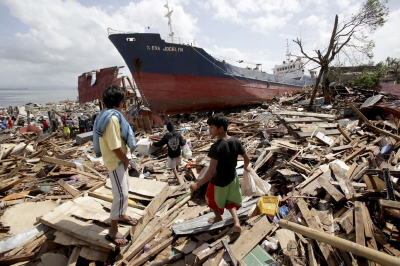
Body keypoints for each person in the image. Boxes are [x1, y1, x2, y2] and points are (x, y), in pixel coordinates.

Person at [190, 113, 250, 233]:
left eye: (212, 127)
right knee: (230, 201)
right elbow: (247, 158)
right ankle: (237, 222)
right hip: (232, 177)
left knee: (210, 199)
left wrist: (198, 184)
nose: (209, 130)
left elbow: (211, 172)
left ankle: (218, 217)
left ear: (221, 128)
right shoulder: (236, 141)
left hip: (218, 181)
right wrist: (246, 168)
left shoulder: (216, 147)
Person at [93, 85, 137, 246]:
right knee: (120, 194)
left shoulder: (105, 114)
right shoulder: (112, 118)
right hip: (116, 160)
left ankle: (122, 214)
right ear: (119, 101)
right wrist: (126, 160)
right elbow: (114, 145)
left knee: (125, 190)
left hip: (118, 159)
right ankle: (113, 230)